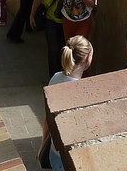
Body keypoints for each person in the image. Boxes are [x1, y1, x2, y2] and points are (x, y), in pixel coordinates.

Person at [40, 35, 93, 171]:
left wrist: (42, 144)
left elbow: (48, 117)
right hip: (72, 157)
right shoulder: (84, 92)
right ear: (88, 59)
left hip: (54, 152)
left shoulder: (55, 78)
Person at [31, 0, 68, 77]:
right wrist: (32, 14)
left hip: (66, 21)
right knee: (52, 51)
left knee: (65, 51)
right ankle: (53, 78)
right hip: (50, 19)